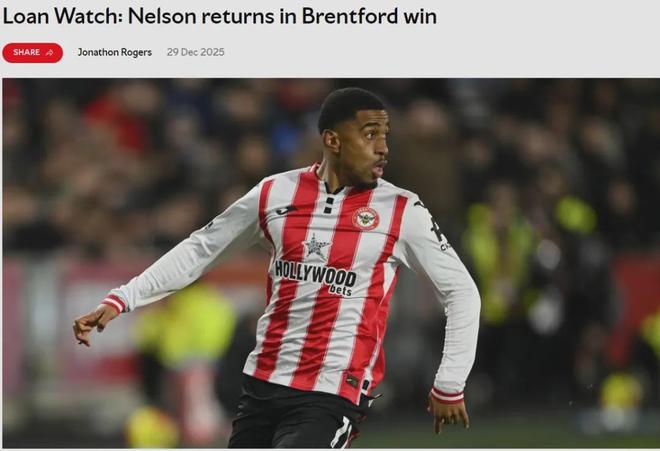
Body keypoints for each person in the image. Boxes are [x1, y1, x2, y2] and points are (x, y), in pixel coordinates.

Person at [73, 87, 481, 448]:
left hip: (333, 390)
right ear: (333, 140)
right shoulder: (275, 193)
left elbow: (461, 292)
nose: (383, 148)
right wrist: (124, 298)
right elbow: (202, 249)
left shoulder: (401, 209)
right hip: (264, 383)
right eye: (370, 135)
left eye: (385, 136)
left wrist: (449, 382)